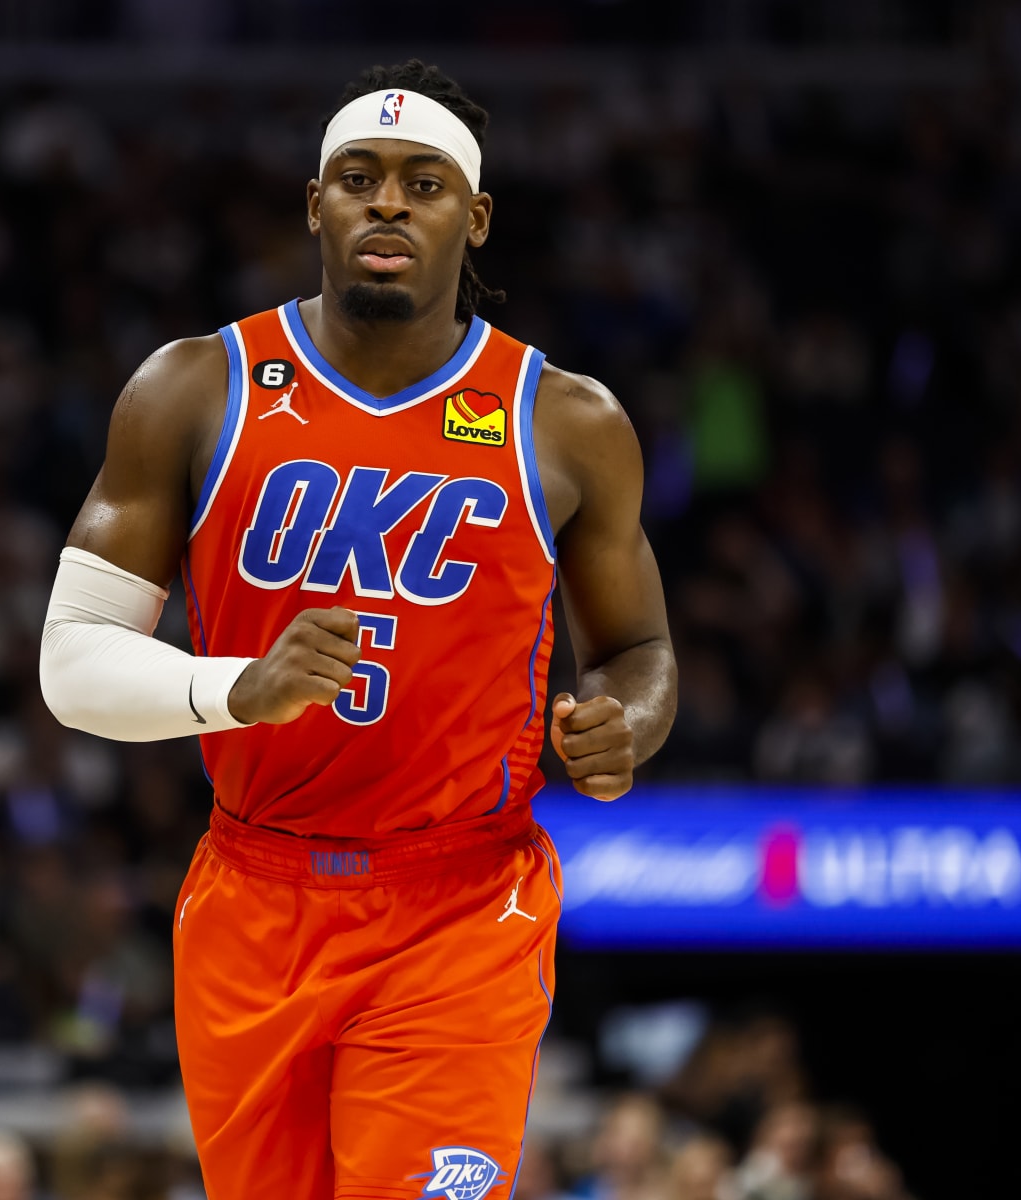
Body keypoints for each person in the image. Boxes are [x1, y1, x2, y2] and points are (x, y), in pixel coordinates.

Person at [40, 59, 676, 1198]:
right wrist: (237, 688)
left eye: (423, 184)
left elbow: (640, 652)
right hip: (253, 891)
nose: (388, 202)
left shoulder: (568, 420)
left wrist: (624, 723)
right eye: (359, 178)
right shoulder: (193, 388)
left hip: (462, 900)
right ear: (313, 204)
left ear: (474, 219)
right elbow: (71, 663)